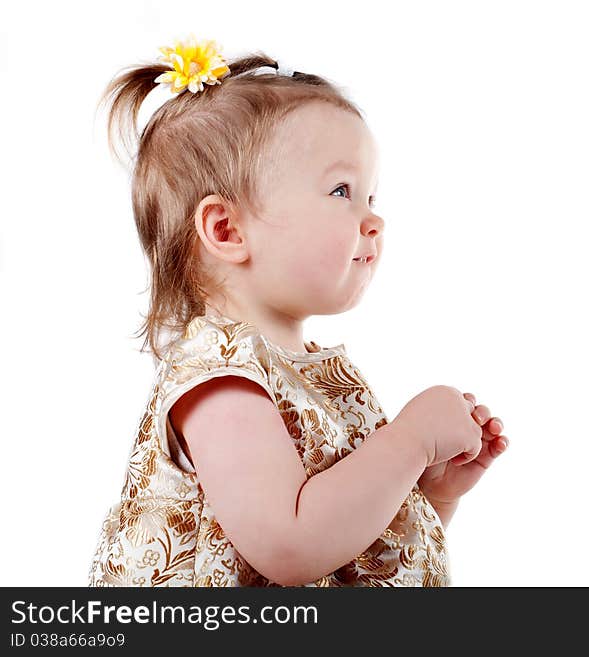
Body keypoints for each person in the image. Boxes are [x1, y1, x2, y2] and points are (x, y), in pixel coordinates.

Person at [87, 36, 510, 587]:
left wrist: (427, 495)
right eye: (341, 191)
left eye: (371, 198)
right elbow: (291, 548)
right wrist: (408, 441)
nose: (372, 219)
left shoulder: (306, 375)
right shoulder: (221, 380)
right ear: (227, 230)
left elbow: (346, 555)